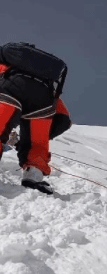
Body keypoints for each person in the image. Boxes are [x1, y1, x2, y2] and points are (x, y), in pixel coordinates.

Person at [0, 42, 71, 195]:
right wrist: (31, 140)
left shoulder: (7, 61)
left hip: (11, 87)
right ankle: (33, 177)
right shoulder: (46, 78)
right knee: (37, 143)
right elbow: (64, 120)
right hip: (44, 100)